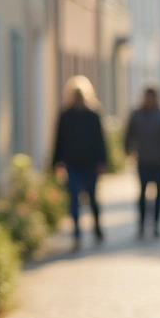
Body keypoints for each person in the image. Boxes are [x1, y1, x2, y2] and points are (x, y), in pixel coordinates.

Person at [52, 75, 107, 249]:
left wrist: (102, 161)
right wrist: (56, 162)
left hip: (90, 163)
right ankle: (76, 234)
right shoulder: (65, 115)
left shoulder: (93, 115)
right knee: (74, 198)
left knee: (92, 197)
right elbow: (59, 140)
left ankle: (96, 227)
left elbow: (100, 140)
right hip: (72, 163)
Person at [124, 86, 160, 238]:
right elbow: (129, 135)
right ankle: (142, 223)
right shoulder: (137, 114)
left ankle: (156, 223)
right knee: (142, 193)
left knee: (158, 193)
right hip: (143, 159)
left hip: (159, 160)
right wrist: (128, 150)